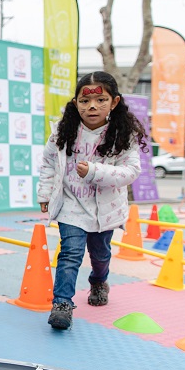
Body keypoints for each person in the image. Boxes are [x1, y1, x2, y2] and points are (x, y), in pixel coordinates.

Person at [38, 71, 147, 330]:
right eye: (85, 101)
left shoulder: (123, 134)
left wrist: (96, 171)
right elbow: (49, 163)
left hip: (105, 210)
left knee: (100, 254)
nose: (92, 106)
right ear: (76, 103)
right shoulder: (63, 131)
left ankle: (99, 281)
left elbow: (131, 171)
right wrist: (44, 193)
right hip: (71, 205)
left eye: (100, 100)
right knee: (70, 254)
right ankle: (62, 303)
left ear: (114, 102)